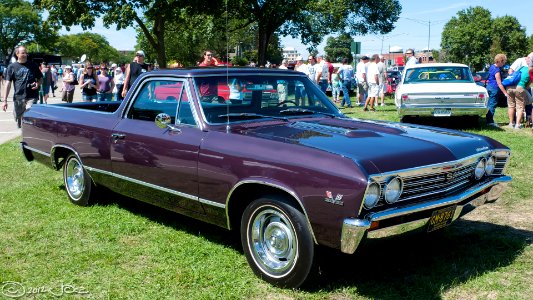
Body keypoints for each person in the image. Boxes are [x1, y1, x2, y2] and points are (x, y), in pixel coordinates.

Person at [2, 46, 43, 128]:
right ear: (17, 54)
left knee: (29, 113)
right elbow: (8, 84)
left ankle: (29, 134)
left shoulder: (33, 65)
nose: (25, 54)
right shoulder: (12, 67)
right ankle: (22, 131)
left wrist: (38, 84)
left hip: (32, 96)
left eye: (26, 53)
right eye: (23, 53)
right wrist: (4, 100)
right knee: (19, 119)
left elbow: (41, 78)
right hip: (18, 97)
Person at [506, 58, 532, 129]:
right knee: (520, 106)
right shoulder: (531, 70)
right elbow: (528, 84)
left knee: (511, 105)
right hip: (519, 87)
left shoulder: (521, 68)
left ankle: (511, 123)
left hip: (509, 87)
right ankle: (518, 125)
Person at [485, 54, 508, 127]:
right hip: (494, 88)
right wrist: (505, 93)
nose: (504, 64)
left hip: (489, 87)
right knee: (492, 104)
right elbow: (499, 83)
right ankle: (490, 122)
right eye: (503, 62)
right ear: (500, 61)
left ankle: (488, 120)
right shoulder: (497, 70)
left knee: (488, 104)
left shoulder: (492, 67)